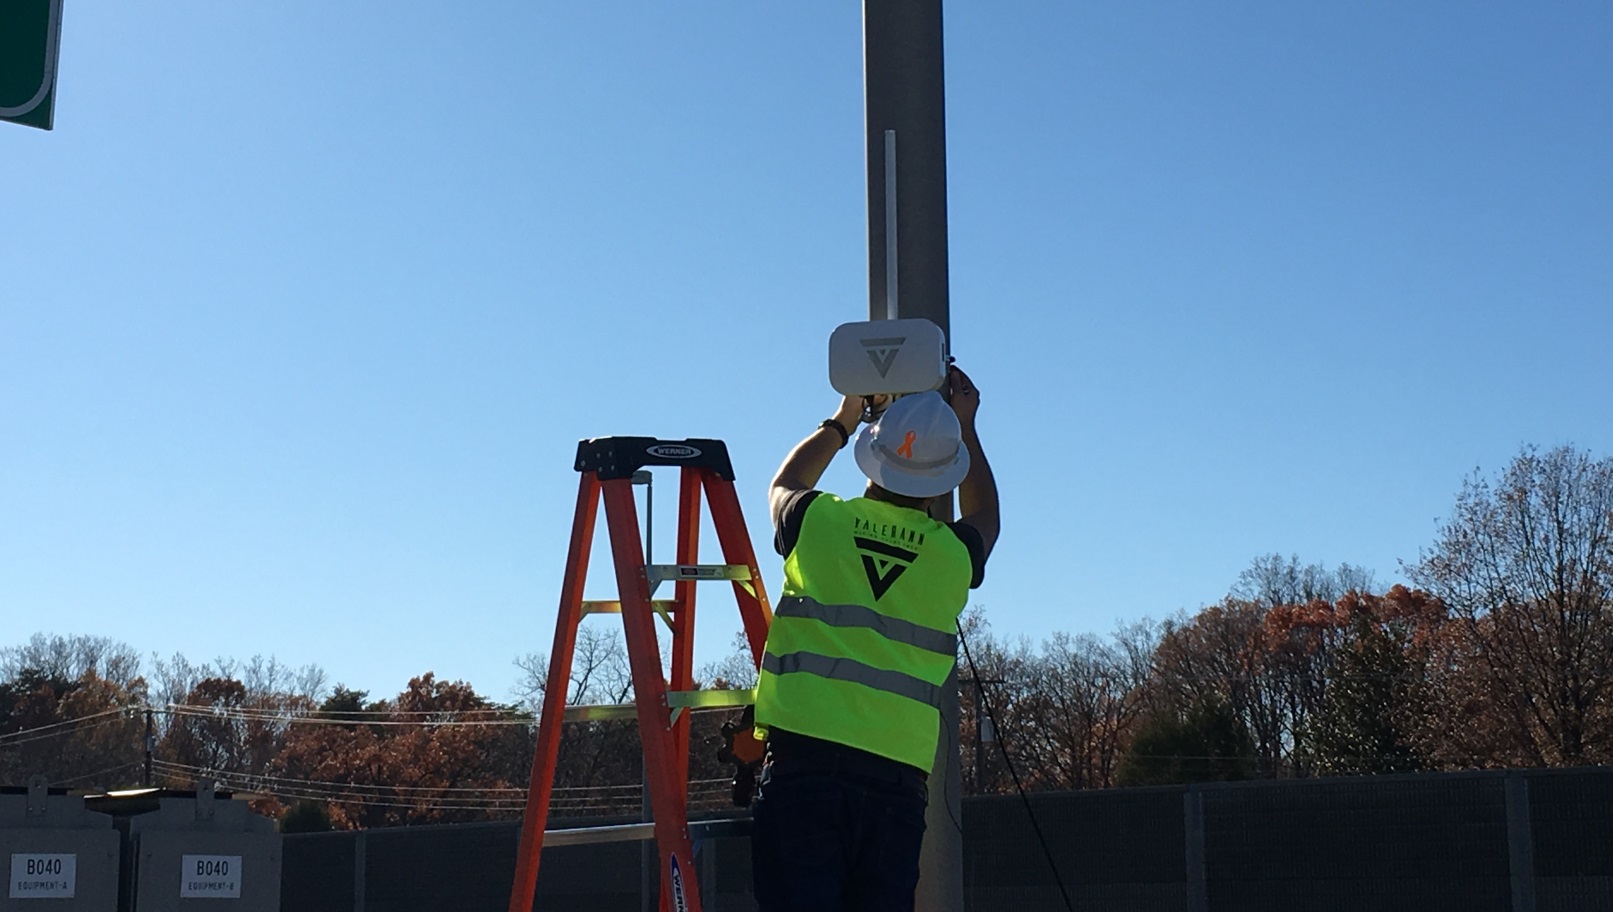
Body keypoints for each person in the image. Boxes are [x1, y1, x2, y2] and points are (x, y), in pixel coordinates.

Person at [750, 365, 999, 912]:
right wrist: (967, 427)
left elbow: (783, 487)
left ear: (872, 461)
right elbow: (986, 517)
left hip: (802, 773)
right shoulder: (950, 556)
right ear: (941, 485)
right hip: (894, 785)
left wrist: (841, 420)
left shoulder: (819, 524)